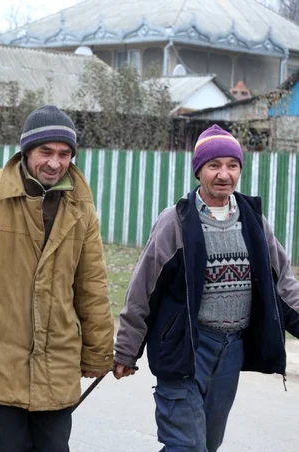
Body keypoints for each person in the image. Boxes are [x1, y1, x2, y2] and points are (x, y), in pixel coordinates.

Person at [0, 105, 114, 452]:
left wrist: (99, 352)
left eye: (64, 154)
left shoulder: (80, 207)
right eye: (46, 152)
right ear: (26, 151)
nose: (55, 163)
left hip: (57, 358)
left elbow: (92, 287)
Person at [113, 125, 299, 452]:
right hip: (187, 347)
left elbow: (283, 284)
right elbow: (143, 289)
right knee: (187, 446)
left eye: (232, 165)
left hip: (231, 350)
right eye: (214, 165)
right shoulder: (176, 221)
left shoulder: (254, 221)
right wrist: (127, 350)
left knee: (207, 444)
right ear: (199, 170)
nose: (224, 174)